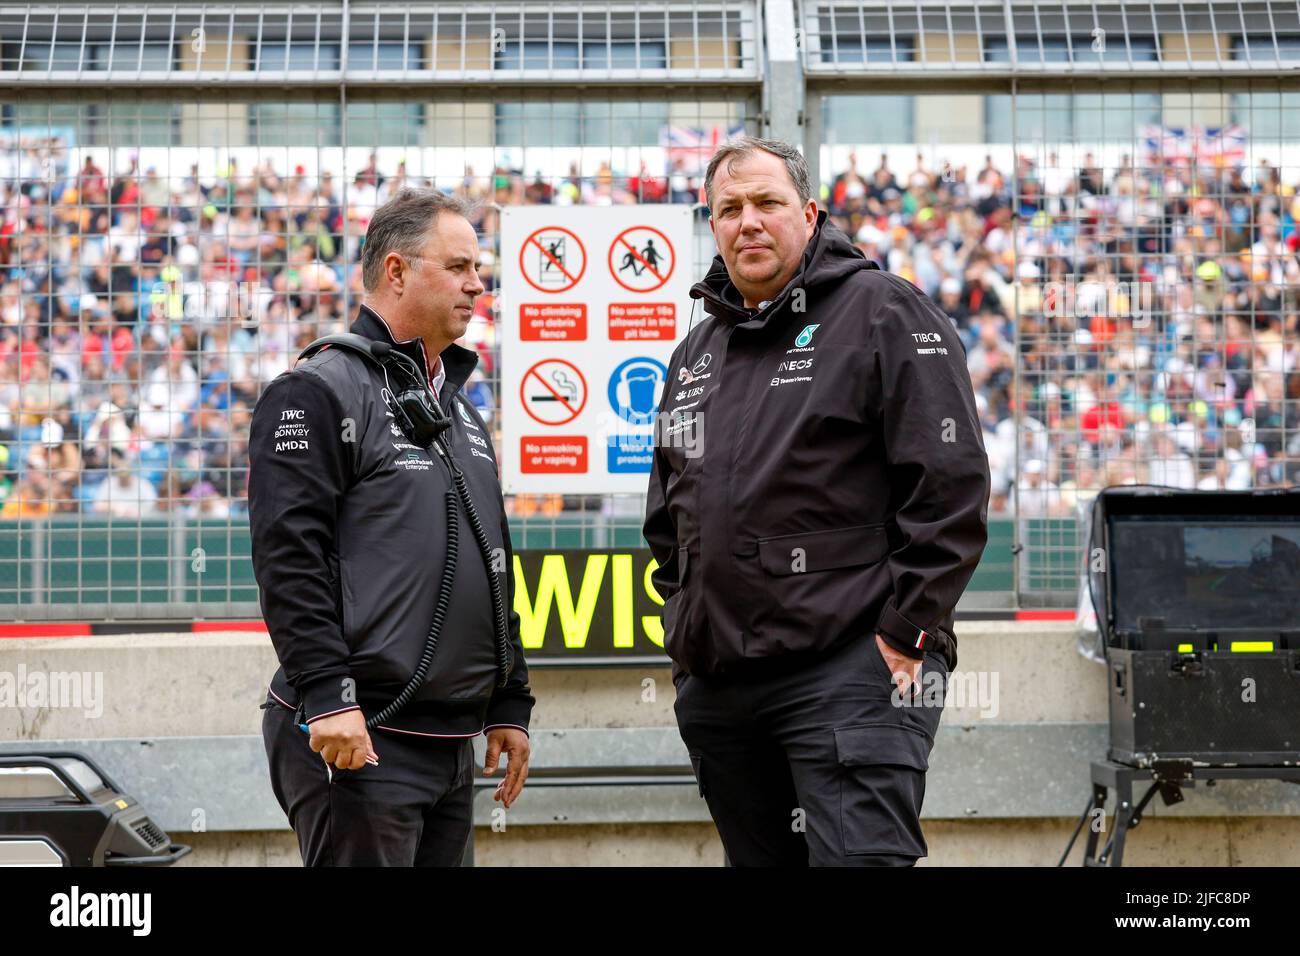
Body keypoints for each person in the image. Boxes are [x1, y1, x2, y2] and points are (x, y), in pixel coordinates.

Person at [644, 137, 990, 866]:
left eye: (767, 203)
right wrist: (688, 646)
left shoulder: (884, 311)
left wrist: (906, 632)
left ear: (808, 213)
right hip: (724, 691)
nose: (748, 223)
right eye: (729, 209)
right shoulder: (696, 352)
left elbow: (951, 486)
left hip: (854, 674)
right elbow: (667, 520)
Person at [250, 188, 533, 867]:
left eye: (480, 268)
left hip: (447, 742)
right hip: (359, 733)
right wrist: (326, 696)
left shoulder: (460, 412)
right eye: (460, 266)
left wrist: (509, 700)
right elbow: (290, 557)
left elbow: (490, 555)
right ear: (399, 271)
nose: (478, 284)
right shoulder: (316, 389)